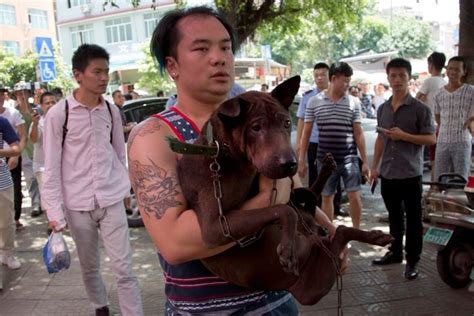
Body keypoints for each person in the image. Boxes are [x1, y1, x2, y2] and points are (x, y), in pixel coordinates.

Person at [128, 6, 343, 315]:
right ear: (172, 66)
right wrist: (270, 198)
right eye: (201, 48)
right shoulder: (155, 136)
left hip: (278, 302)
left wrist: (330, 234)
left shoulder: (256, 120)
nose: (219, 57)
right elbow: (176, 243)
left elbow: (294, 192)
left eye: (225, 47)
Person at [41, 44, 143, 316]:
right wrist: (53, 211)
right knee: (90, 266)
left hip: (110, 199)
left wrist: (125, 192)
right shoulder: (58, 114)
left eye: (106, 72)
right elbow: (50, 167)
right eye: (96, 72)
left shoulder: (110, 111)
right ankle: (100, 307)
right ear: (78, 75)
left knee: (125, 268)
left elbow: (118, 154)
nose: (103, 78)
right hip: (77, 205)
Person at [370, 58, 436, 280]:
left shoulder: (421, 109)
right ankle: (395, 252)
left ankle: (413, 259)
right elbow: (380, 139)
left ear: (409, 78)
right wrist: (373, 168)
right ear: (388, 78)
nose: (397, 80)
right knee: (394, 216)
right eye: (393, 76)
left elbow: (431, 139)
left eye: (402, 76)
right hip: (388, 172)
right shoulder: (383, 108)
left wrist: (404, 136)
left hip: (410, 173)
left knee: (414, 219)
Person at [298, 62, 369, 229]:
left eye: (349, 80)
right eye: (345, 80)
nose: (347, 85)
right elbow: (306, 132)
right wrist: (301, 159)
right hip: (325, 159)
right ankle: (329, 231)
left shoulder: (353, 102)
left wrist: (365, 161)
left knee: (354, 194)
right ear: (334, 79)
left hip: (349, 157)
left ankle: (356, 230)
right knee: (327, 196)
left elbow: (358, 133)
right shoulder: (314, 101)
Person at [433, 56, 474, 181]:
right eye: (450, 69)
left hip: (462, 141)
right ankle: (440, 200)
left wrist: (470, 121)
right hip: (442, 141)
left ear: (464, 72)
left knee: (461, 178)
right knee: (440, 177)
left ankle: (460, 201)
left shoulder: (471, 91)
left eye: (457, 69)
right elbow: (437, 116)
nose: (453, 72)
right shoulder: (439, 93)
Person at [295, 63, 329, 188]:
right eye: (317, 75)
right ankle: (314, 205)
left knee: (332, 177)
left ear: (329, 76)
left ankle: (334, 207)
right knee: (314, 178)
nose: (319, 78)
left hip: (332, 143)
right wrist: (299, 142)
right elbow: (301, 121)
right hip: (314, 143)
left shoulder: (336, 96)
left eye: (323, 75)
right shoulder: (308, 97)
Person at [0, 92, 22, 272]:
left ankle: (7, 253)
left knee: (6, 221)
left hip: (2, 180)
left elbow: (15, 148)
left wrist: (1, 153)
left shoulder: (2, 122)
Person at [13, 82, 42, 218]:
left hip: (39, 148)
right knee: (30, 179)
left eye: (25, 92)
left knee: (42, 178)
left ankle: (46, 203)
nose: (22, 96)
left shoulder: (37, 110)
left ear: (29, 94)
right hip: (24, 150)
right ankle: (36, 204)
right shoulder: (14, 112)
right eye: (19, 93)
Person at [416, 52, 446, 180]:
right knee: (438, 157)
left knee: (431, 157)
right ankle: (437, 184)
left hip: (430, 124)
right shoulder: (445, 82)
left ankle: (433, 186)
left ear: (431, 65)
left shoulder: (429, 81)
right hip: (442, 124)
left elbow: (415, 100)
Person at [0, 88, 26, 230]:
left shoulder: (12, 114)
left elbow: (22, 137)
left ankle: (14, 219)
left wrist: (15, 155)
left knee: (14, 188)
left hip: (11, 157)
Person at [29, 92, 57, 201]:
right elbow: (33, 139)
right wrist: (35, 124)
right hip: (43, 166)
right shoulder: (38, 122)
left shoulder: (65, 120)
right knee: (49, 199)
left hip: (61, 165)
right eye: (47, 103)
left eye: (53, 102)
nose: (50, 105)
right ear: (41, 106)